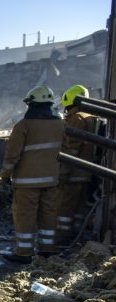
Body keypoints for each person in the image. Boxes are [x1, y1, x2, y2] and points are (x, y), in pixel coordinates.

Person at [1, 85, 65, 263]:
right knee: (49, 214)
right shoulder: (61, 125)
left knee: (25, 216)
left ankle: (24, 252)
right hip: (52, 180)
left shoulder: (23, 125)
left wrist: (5, 174)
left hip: (26, 183)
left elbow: (12, 154)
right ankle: (47, 250)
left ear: (31, 104)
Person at [56, 84, 99, 245]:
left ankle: (61, 237)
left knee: (65, 208)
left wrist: (63, 173)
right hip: (85, 173)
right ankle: (75, 234)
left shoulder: (77, 118)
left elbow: (71, 149)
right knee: (78, 208)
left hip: (73, 172)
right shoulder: (91, 117)